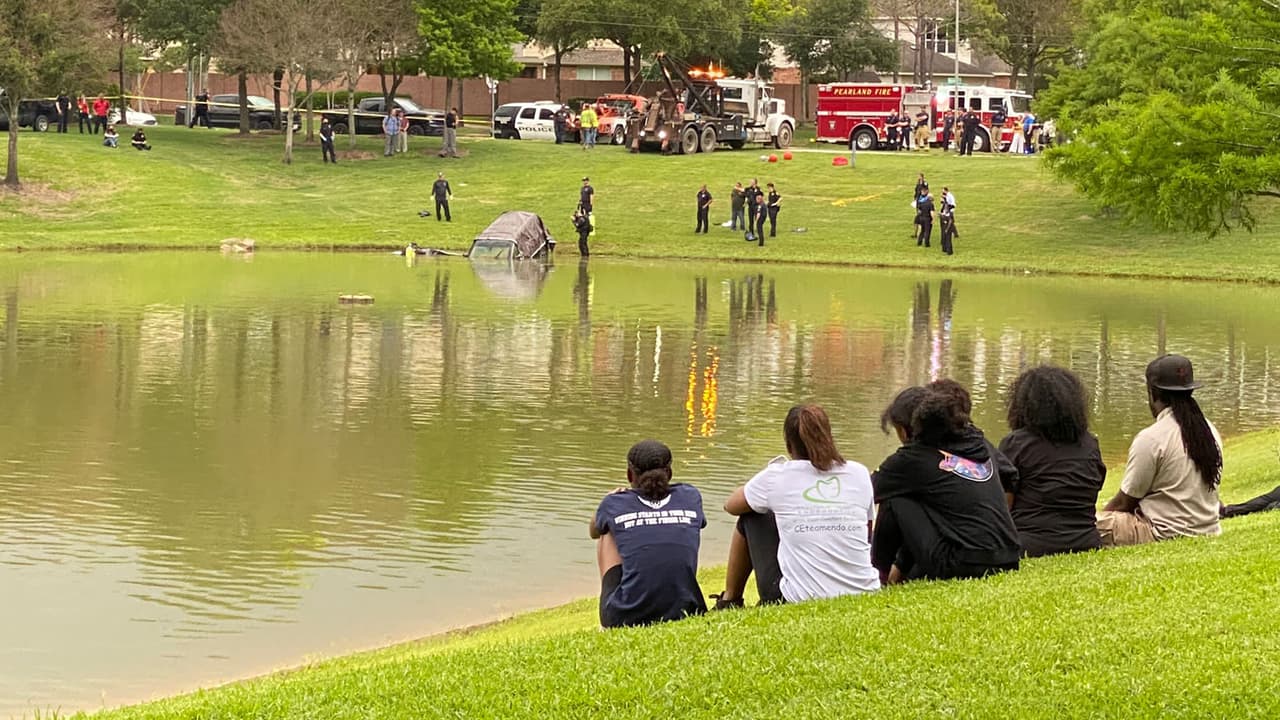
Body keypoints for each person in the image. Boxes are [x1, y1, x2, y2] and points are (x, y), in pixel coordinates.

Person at [710, 405, 879, 608]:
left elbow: (731, 506)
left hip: (800, 598)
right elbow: (867, 531)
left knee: (752, 515)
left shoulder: (777, 476)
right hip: (864, 592)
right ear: (828, 437)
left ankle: (730, 599)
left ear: (789, 446)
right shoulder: (859, 473)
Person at [872, 385, 1022, 584]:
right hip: (1009, 557)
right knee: (914, 494)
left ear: (904, 430)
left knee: (896, 498)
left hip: (963, 562)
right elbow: (1010, 477)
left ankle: (877, 576)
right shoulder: (978, 443)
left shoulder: (913, 458)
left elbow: (864, 491)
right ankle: (899, 572)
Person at [1097, 355, 1223, 547]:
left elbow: (1125, 503)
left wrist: (1103, 515)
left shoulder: (1152, 438)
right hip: (1207, 528)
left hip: (1162, 531)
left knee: (1084, 525)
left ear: (1153, 393)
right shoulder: (1209, 430)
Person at [590, 440, 707, 628]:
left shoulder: (614, 503)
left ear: (629, 474)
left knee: (607, 532)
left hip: (624, 617)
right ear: (669, 473)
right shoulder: (690, 495)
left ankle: (610, 620)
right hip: (686, 610)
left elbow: (594, 531)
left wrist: (609, 499)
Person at [998, 366, 1106, 558]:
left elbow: (1003, 507)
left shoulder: (1016, 444)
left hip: (1029, 544)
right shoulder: (1090, 444)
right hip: (1086, 541)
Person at [939, 187, 956, 255]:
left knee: (948, 237)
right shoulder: (945, 204)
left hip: (949, 217)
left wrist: (947, 229)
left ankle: (949, 251)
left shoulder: (949, 197)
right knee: (945, 236)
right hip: (945, 219)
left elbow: (951, 204)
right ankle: (944, 248)